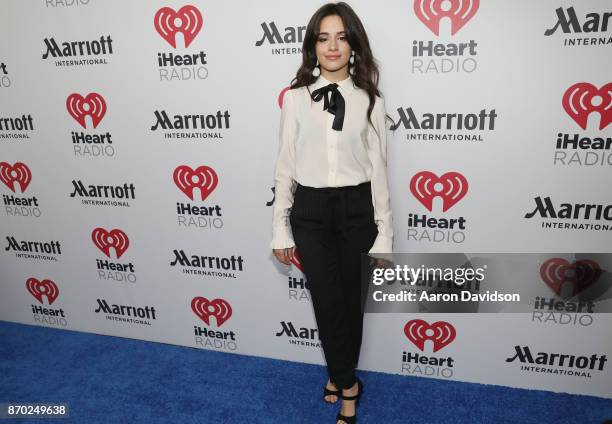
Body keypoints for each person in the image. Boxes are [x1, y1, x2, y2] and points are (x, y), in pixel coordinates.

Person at [270, 3, 393, 423]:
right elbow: (285, 166)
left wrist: (385, 234)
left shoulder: (370, 100)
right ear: (312, 46)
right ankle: (349, 384)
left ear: (354, 44)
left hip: (358, 210)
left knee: (349, 305)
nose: (333, 46)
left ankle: (339, 379)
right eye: (323, 38)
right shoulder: (295, 98)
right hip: (311, 211)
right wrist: (280, 230)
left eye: (341, 36)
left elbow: (379, 171)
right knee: (326, 301)